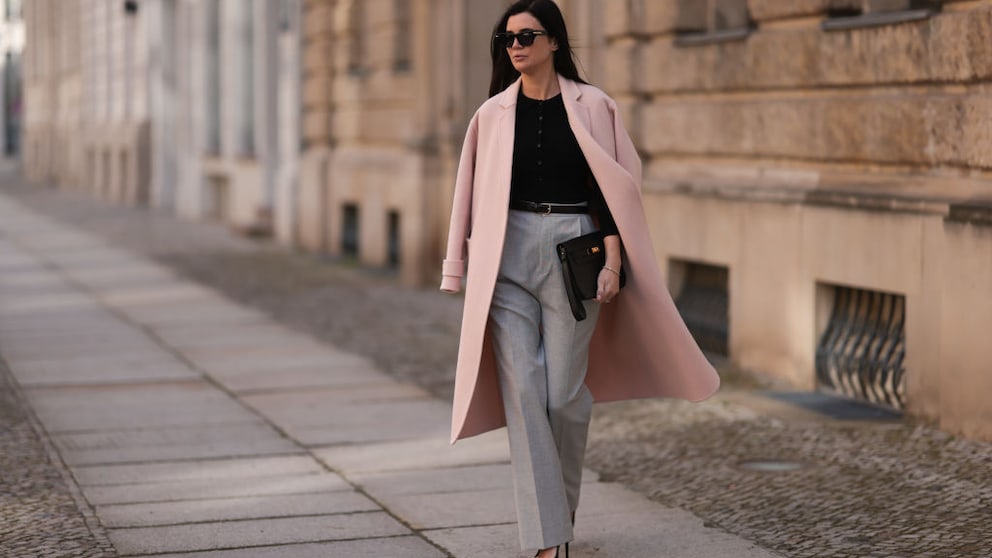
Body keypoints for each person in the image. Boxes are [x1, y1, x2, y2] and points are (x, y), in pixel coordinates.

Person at [440, 1, 721, 556]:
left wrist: (614, 261)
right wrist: (458, 266)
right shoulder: (491, 114)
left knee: (564, 395)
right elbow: (467, 196)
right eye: (507, 38)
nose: (514, 46)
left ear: (553, 42)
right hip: (508, 255)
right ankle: (548, 540)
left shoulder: (594, 106)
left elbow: (614, 189)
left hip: (578, 255)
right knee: (523, 391)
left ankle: (558, 517)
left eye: (526, 36)